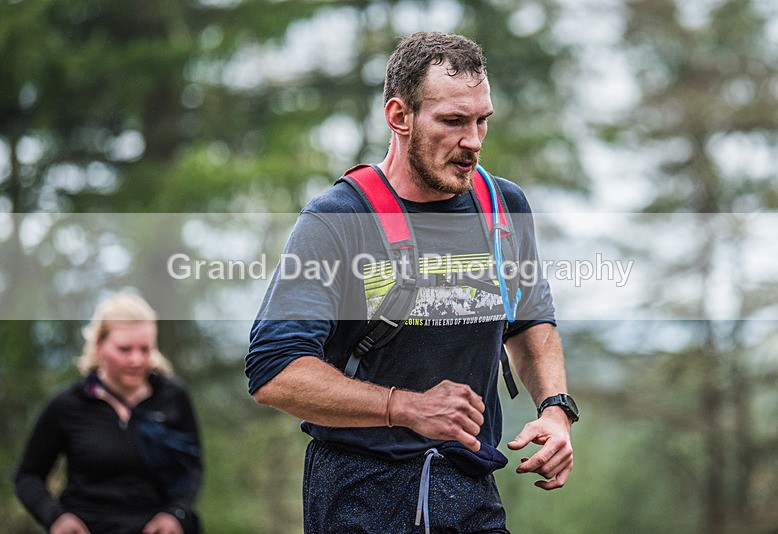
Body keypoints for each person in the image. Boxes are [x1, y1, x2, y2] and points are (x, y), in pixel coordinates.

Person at [246, 31, 577, 533]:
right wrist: (405, 407)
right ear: (399, 117)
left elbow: (528, 322)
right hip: (359, 497)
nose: (473, 141)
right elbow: (275, 371)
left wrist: (555, 410)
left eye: (481, 121)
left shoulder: (503, 208)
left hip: (470, 494)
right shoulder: (336, 218)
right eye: (452, 122)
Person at [15, 293, 203, 534]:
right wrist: (56, 518)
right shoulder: (68, 405)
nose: (136, 360)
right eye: (124, 349)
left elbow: (192, 469)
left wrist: (176, 514)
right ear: (98, 345)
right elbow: (28, 477)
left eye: (145, 349)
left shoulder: (173, 397)